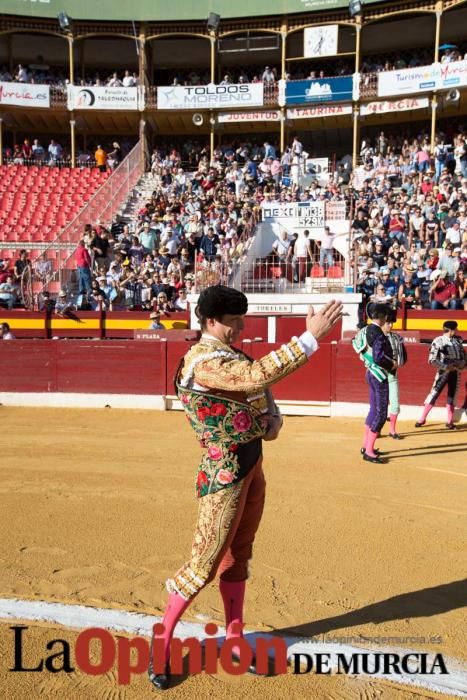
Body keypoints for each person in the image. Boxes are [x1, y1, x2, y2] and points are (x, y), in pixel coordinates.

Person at [148, 287, 343, 690]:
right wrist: (309, 338)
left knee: (239, 556)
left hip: (249, 463)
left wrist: (273, 417)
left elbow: (258, 389)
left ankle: (235, 642)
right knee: (202, 565)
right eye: (233, 321)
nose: (240, 327)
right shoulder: (203, 361)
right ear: (210, 321)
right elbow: (256, 376)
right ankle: (161, 645)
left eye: (241, 319)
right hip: (224, 471)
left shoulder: (231, 355)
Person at [352, 304, 396, 464]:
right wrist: (391, 364)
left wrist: (366, 359)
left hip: (369, 372)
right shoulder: (378, 334)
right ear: (383, 316)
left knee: (373, 410)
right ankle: (369, 451)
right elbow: (378, 358)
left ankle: (366, 446)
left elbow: (355, 344)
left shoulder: (365, 330)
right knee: (381, 413)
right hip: (378, 374)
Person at [415, 320, 466, 430]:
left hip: (456, 372)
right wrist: (446, 367)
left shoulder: (458, 340)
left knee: (452, 396)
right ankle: (422, 418)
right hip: (443, 372)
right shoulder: (438, 341)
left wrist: (462, 364)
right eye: (456, 329)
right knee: (434, 394)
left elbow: (463, 356)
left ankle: (450, 421)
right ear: (451, 330)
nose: (457, 331)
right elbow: (432, 360)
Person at [383, 309, 407, 439]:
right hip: (378, 375)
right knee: (379, 404)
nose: (391, 325)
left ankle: (392, 430)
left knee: (395, 402)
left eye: (392, 323)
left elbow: (403, 355)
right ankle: (376, 428)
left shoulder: (397, 338)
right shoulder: (375, 336)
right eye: (388, 323)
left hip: (392, 375)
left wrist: (399, 363)